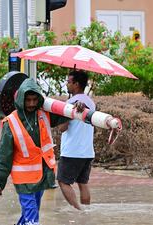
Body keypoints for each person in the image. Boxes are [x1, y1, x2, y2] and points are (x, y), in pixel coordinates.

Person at [0, 78, 84, 225]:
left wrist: (76, 107)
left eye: (35, 100)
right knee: (32, 217)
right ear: (21, 99)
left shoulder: (44, 115)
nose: (32, 104)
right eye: (28, 100)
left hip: (41, 176)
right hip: (23, 180)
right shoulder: (11, 123)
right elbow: (3, 156)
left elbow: (66, 114)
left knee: (30, 215)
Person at [57, 70, 96, 210]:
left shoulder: (71, 103)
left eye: (69, 82)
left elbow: (62, 127)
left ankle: (78, 211)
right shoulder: (91, 102)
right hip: (87, 151)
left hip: (72, 151)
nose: (67, 84)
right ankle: (86, 210)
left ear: (76, 84)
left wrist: (60, 114)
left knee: (63, 181)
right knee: (83, 183)